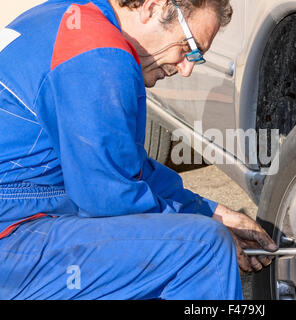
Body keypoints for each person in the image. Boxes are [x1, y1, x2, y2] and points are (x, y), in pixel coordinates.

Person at [0, 0, 278, 300]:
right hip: (13, 237)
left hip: (20, 219)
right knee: (204, 250)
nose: (185, 69)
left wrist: (213, 212)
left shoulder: (70, 15)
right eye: (189, 48)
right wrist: (206, 227)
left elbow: (122, 165)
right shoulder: (98, 53)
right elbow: (107, 199)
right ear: (153, 6)